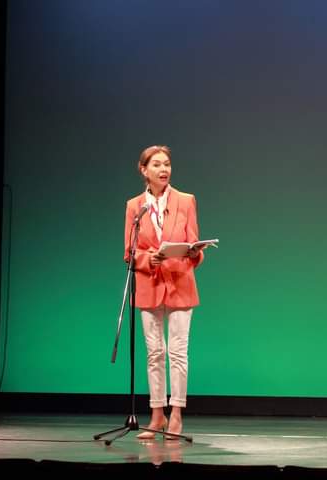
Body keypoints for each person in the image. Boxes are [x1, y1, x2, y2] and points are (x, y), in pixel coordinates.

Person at [123, 144, 205, 439]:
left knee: (177, 353)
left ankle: (177, 415)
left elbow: (194, 246)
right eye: (157, 164)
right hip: (149, 286)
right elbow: (130, 253)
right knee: (154, 353)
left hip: (180, 283)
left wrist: (193, 252)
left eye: (167, 164)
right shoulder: (135, 206)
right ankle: (157, 415)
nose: (164, 169)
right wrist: (149, 259)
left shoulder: (185, 201)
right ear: (144, 170)